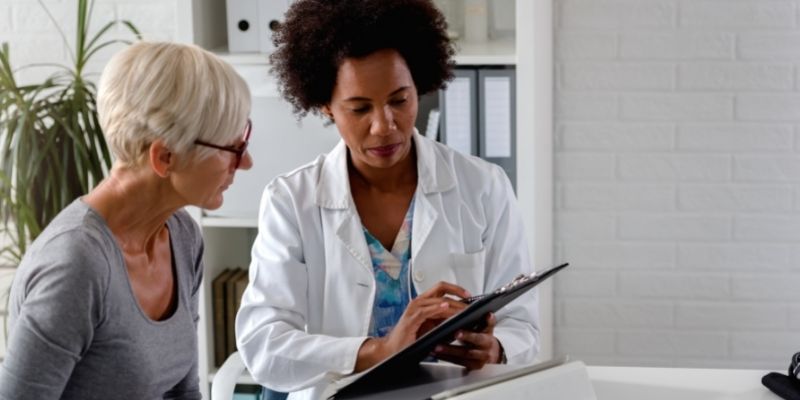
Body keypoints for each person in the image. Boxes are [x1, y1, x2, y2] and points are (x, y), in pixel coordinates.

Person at [235, 0, 539, 398]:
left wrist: (497, 349)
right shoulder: (291, 201)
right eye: (360, 108)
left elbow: (524, 327)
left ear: (420, 86)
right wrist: (378, 351)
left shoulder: (484, 186)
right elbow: (264, 346)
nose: (384, 126)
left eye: (399, 100)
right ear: (326, 105)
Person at [0, 42, 253, 400]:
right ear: (164, 157)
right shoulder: (75, 265)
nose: (245, 163)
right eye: (233, 148)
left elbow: (182, 390)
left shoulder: (182, 237)